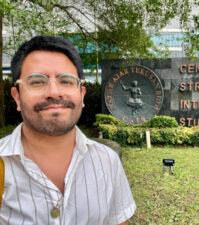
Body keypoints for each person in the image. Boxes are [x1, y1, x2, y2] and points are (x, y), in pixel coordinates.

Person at [0, 36, 136, 224]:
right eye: (37, 81)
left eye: (66, 81)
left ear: (81, 95)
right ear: (17, 97)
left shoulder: (107, 161)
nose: (54, 92)